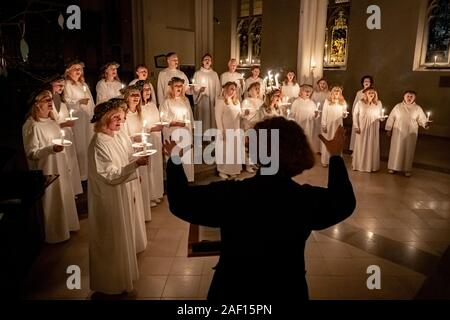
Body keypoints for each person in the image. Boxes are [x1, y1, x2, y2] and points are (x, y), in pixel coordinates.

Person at [164, 117, 356, 301]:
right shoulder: (304, 199)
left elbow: (180, 200)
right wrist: (336, 157)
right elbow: (344, 202)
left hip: (234, 288)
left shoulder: (233, 195)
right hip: (287, 288)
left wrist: (174, 160)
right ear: (298, 152)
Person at [88, 99, 150, 295]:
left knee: (122, 236)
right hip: (108, 198)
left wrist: (135, 166)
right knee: (110, 239)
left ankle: (124, 278)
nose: (120, 122)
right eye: (116, 118)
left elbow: (125, 159)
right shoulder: (99, 143)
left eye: (121, 118)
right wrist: (135, 166)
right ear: (105, 118)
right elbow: (110, 175)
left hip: (121, 192)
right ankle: (110, 284)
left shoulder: (114, 136)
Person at [22, 89, 79, 243]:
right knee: (51, 200)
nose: (50, 103)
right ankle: (54, 233)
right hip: (46, 168)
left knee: (63, 195)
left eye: (50, 100)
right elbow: (32, 153)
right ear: (37, 104)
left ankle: (66, 227)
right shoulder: (32, 125)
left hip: (60, 164)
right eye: (46, 100)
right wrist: (50, 149)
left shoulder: (52, 121)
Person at [46, 75, 83, 196]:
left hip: (67, 135)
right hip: (57, 136)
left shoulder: (62, 101)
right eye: (58, 84)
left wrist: (68, 121)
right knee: (63, 163)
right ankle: (65, 191)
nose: (61, 87)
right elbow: (50, 122)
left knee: (70, 162)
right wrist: (64, 124)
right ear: (51, 84)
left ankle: (72, 189)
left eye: (63, 85)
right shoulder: (49, 102)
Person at [385, 90, 431, 177]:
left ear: (414, 98)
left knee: (408, 150)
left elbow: (422, 119)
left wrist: (426, 124)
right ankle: (393, 167)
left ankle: (407, 169)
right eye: (408, 96)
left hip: (411, 133)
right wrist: (388, 129)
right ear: (404, 96)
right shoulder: (398, 107)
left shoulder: (418, 108)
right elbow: (391, 118)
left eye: (411, 96)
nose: (409, 98)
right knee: (396, 149)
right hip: (398, 131)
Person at [63, 60, 95, 181]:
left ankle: (88, 173)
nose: (78, 71)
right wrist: (78, 102)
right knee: (79, 145)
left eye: (80, 69)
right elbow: (66, 101)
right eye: (75, 68)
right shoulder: (67, 84)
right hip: (77, 120)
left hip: (86, 119)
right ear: (68, 71)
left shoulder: (84, 85)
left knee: (87, 144)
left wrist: (92, 114)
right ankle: (80, 176)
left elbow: (90, 100)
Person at [160, 77, 195, 182]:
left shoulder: (186, 100)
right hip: (172, 132)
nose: (179, 88)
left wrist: (192, 129)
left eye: (181, 86)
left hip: (185, 131)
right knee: (175, 156)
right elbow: (163, 118)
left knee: (186, 156)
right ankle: (175, 181)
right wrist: (174, 122)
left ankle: (187, 179)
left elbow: (190, 116)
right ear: (171, 87)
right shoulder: (166, 102)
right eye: (176, 86)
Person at [139, 80, 165, 206]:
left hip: (155, 138)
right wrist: (150, 129)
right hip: (146, 139)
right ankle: (148, 196)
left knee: (156, 166)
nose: (148, 91)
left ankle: (156, 193)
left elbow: (157, 120)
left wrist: (160, 126)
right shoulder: (139, 108)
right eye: (145, 89)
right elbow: (139, 126)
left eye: (149, 89)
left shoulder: (153, 105)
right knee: (148, 168)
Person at [215, 81, 247, 179]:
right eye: (231, 88)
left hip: (235, 130)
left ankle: (233, 170)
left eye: (234, 89)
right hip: (225, 130)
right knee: (225, 151)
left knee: (234, 151)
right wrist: (221, 131)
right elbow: (218, 117)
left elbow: (239, 114)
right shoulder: (220, 101)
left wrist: (244, 113)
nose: (233, 91)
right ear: (226, 89)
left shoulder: (236, 102)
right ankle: (222, 170)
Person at [352, 87, 384, 172]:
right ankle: (360, 165)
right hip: (362, 127)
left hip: (373, 127)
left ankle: (371, 166)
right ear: (366, 94)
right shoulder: (360, 103)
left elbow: (380, 116)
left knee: (371, 145)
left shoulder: (378, 103)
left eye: (373, 92)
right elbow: (355, 115)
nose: (371, 94)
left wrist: (382, 118)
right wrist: (356, 126)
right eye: (370, 92)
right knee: (361, 145)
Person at [192, 53, 221, 132]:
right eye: (205, 59)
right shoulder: (197, 74)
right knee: (201, 117)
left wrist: (216, 101)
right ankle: (200, 135)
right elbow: (194, 88)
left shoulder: (214, 74)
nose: (207, 61)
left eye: (209, 60)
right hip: (201, 101)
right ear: (202, 62)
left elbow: (218, 89)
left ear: (211, 62)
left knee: (211, 117)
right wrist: (199, 90)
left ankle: (210, 134)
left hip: (211, 101)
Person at [321, 86, 348, 167]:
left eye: (338, 91)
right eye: (335, 91)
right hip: (329, 125)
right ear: (332, 92)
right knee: (328, 141)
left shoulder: (343, 102)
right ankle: (326, 161)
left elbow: (344, 114)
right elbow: (324, 113)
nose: (337, 92)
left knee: (338, 142)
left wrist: (344, 114)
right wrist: (324, 125)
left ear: (340, 93)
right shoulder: (327, 101)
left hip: (338, 125)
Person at [290, 84, 320, 153]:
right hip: (298, 125)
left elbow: (315, 116)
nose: (308, 93)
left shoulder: (312, 103)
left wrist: (316, 115)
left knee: (307, 140)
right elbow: (292, 115)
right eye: (306, 91)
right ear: (301, 92)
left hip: (309, 126)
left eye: (309, 91)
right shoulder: (296, 102)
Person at [350, 75, 373, 151]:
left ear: (370, 83)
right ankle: (355, 150)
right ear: (363, 83)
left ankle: (364, 151)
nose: (366, 82)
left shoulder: (373, 92)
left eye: (368, 81)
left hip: (368, 118)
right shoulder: (359, 93)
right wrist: (354, 115)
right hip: (358, 117)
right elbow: (355, 104)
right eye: (365, 81)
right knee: (357, 134)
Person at [311, 78, 330, 153]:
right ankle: (316, 148)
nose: (322, 85)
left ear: (326, 84)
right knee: (316, 130)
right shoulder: (315, 93)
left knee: (324, 130)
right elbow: (312, 102)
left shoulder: (328, 93)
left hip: (325, 114)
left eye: (324, 83)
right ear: (318, 84)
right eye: (321, 83)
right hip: (317, 114)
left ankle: (323, 149)